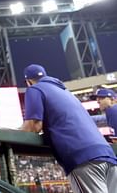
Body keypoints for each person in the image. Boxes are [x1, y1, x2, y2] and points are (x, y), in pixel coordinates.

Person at [20, 64, 117, 193]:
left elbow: (33, 126)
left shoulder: (35, 89)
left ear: (28, 81)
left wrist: (12, 132)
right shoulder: (66, 91)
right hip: (108, 155)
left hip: (83, 158)